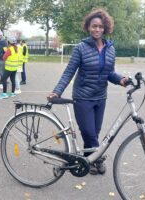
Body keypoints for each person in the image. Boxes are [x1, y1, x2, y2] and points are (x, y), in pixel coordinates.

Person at [48, 9, 127, 175]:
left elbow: (109, 73)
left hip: (100, 97)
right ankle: (97, 158)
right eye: (94, 26)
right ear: (88, 28)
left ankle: (88, 160)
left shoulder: (110, 49)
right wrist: (57, 91)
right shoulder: (81, 48)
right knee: (89, 132)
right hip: (83, 97)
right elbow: (69, 71)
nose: (97, 29)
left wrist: (120, 80)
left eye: (100, 26)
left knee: (94, 132)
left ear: (105, 28)